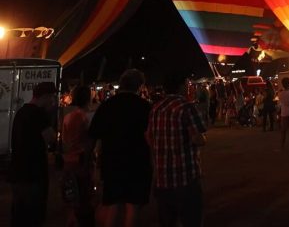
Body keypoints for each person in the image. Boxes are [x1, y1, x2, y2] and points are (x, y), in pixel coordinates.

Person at [89, 69, 152, 227]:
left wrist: (89, 161)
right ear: (139, 86)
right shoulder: (145, 107)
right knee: (133, 207)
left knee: (113, 205)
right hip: (138, 162)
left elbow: (92, 136)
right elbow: (151, 136)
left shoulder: (106, 106)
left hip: (112, 162)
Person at [147, 72, 207, 227]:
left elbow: (149, 137)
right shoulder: (186, 107)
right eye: (187, 84)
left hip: (162, 180)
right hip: (185, 178)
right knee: (191, 221)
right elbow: (197, 138)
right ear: (181, 86)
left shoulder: (156, 108)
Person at [9, 81, 58, 227]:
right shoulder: (39, 114)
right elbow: (51, 138)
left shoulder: (21, 112)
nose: (53, 101)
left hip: (18, 172)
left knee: (19, 214)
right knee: (33, 216)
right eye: (52, 97)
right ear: (46, 96)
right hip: (33, 174)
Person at [62, 84, 95, 226]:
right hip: (82, 159)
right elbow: (92, 139)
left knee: (71, 193)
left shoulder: (67, 117)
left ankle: (72, 219)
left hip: (69, 159)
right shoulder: (87, 117)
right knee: (84, 196)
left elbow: (64, 139)